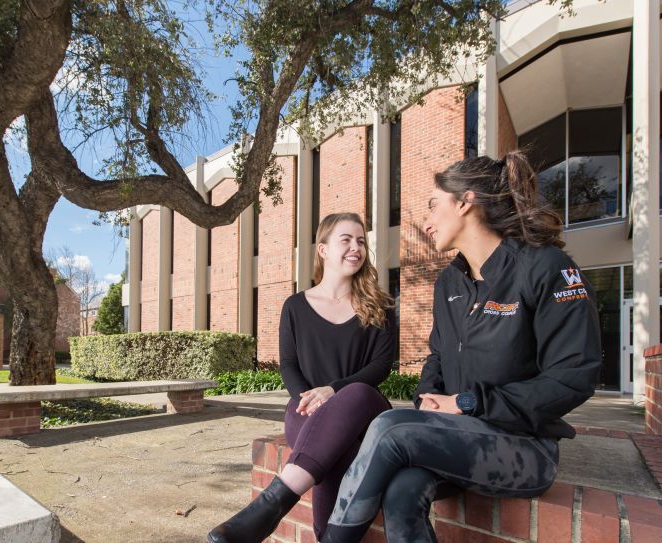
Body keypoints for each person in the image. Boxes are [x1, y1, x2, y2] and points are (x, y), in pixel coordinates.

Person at [319, 152, 602, 543]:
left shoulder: (546, 267)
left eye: (434, 206)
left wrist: (470, 403)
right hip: (457, 433)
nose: (427, 222)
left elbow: (574, 376)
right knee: (402, 489)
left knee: (388, 427)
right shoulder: (449, 284)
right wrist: (429, 396)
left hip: (524, 448)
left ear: (466, 202)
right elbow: (437, 356)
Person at [208, 212, 397, 543]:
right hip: (305, 409)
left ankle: (268, 507)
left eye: (361, 241)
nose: (356, 248)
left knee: (356, 394)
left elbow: (380, 366)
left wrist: (332, 391)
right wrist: (308, 398)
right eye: (346, 240)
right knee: (329, 446)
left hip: (364, 411)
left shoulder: (380, 306)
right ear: (322, 250)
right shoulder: (295, 306)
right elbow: (288, 364)